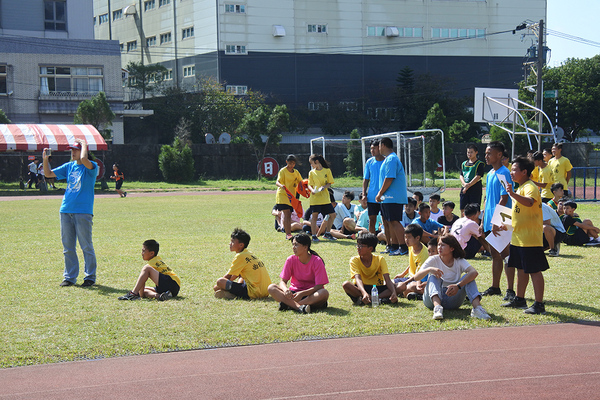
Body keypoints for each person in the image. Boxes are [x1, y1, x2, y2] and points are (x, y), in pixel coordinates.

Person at [43, 139, 98, 287]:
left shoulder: (91, 167)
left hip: (83, 212)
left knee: (86, 246)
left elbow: (84, 159)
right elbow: (48, 174)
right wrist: (45, 159)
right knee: (68, 247)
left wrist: (85, 144)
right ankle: (69, 277)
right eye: (71, 150)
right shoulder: (69, 166)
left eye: (76, 149)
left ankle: (90, 277)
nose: (72, 152)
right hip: (66, 210)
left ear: (83, 151)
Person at [499, 156, 549, 314]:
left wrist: (512, 194)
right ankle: (520, 299)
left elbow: (529, 202)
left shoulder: (529, 186)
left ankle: (539, 304)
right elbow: (519, 213)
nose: (511, 173)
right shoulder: (520, 187)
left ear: (524, 171)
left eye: (514, 170)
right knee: (521, 269)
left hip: (530, 239)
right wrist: (506, 225)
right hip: (518, 237)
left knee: (534, 270)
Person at [413, 235, 491, 320]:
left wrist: (458, 286)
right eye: (438, 244)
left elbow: (474, 272)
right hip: (431, 301)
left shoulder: (459, 261)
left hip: (452, 299)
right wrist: (429, 269)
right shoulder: (433, 259)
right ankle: (437, 308)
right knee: (433, 277)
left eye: (443, 245)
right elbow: (416, 277)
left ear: (452, 248)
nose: (439, 247)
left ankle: (477, 309)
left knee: (469, 277)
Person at [480, 141, 512, 298]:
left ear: (499, 155)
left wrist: (496, 221)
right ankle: (495, 287)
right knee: (494, 254)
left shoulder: (504, 172)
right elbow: (488, 199)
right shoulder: (490, 173)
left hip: (502, 217)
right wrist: (483, 220)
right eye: (486, 153)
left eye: (489, 153)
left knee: (506, 254)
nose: (486, 156)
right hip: (491, 218)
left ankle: (511, 290)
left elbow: (504, 199)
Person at [268, 233, 329, 314]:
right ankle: (299, 307)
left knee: (324, 293)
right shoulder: (290, 259)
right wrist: (286, 290)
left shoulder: (317, 261)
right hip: (294, 295)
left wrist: (303, 293)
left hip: (311, 294)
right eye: (293, 245)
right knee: (271, 287)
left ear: (305, 247)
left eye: (296, 245)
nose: (293, 247)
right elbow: (283, 281)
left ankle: (289, 305)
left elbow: (319, 286)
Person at [342, 233, 399, 305]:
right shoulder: (354, 260)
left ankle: (370, 298)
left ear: (370, 248)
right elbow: (358, 279)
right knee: (346, 284)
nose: (358, 248)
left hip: (377, 288)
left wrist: (394, 292)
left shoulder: (380, 259)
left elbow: (387, 279)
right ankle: (376, 298)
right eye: (357, 245)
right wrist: (364, 292)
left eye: (361, 246)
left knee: (401, 286)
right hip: (361, 287)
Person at [214, 228, 271, 299]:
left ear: (241, 245)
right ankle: (232, 292)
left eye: (232, 242)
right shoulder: (250, 254)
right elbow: (234, 275)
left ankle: (232, 295)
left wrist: (219, 286)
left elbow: (228, 276)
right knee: (242, 273)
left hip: (253, 292)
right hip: (266, 291)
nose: (230, 244)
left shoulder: (240, 256)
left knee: (220, 281)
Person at [375, 137, 409, 256]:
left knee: (394, 221)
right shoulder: (388, 159)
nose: (378, 148)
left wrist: (379, 193)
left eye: (379, 145)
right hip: (388, 197)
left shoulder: (392, 159)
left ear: (383, 145)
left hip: (393, 197)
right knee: (389, 222)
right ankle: (394, 246)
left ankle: (403, 247)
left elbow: (389, 178)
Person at [393, 224, 428, 300]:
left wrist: (404, 283)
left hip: (419, 280)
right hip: (410, 278)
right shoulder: (411, 246)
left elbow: (419, 276)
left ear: (417, 238)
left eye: (409, 237)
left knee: (409, 287)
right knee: (390, 282)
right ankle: (407, 293)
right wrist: (403, 274)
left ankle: (419, 295)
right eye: (405, 237)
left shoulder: (424, 254)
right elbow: (412, 264)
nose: (406, 240)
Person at [307, 154, 336, 242]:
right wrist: (312, 190)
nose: (311, 165)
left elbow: (330, 183)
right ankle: (314, 236)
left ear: (316, 162)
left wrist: (324, 187)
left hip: (325, 198)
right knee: (314, 216)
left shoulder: (327, 171)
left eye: (312, 163)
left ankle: (327, 233)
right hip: (315, 198)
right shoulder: (311, 172)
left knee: (332, 215)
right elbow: (309, 184)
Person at [275, 155, 303, 240]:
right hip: (283, 195)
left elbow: (300, 182)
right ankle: (288, 234)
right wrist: (281, 185)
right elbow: (277, 182)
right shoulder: (283, 171)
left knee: (289, 215)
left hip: (292, 197)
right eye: (290, 163)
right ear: (286, 162)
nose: (292, 165)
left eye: (293, 163)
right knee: (287, 214)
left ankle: (287, 232)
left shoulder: (296, 172)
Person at [362, 140, 385, 234]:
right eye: (371, 148)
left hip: (384, 197)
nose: (372, 150)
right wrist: (364, 194)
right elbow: (365, 179)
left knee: (386, 221)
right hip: (372, 197)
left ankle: (389, 243)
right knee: (372, 220)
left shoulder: (387, 161)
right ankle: (371, 242)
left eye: (374, 148)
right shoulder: (369, 162)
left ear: (380, 148)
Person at [459, 144, 485, 216]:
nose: (469, 154)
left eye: (471, 152)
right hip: (464, 188)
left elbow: (478, 176)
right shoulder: (464, 163)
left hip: (474, 188)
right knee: (463, 208)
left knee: (474, 209)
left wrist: (468, 185)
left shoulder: (479, 164)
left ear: (476, 152)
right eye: (468, 152)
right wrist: (464, 184)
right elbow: (461, 175)